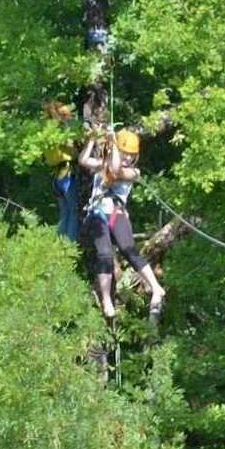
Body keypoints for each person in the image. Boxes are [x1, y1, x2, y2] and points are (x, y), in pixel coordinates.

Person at [78, 127, 165, 319]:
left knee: (128, 248)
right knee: (105, 254)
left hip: (117, 213)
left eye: (130, 156)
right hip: (98, 213)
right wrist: (92, 140)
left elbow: (116, 171)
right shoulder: (103, 164)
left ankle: (156, 288)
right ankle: (107, 300)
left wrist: (114, 145)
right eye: (125, 154)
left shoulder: (133, 171)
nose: (127, 158)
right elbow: (83, 161)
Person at [44, 102, 79, 241]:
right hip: (66, 174)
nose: (69, 118)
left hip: (56, 176)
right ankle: (69, 246)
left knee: (65, 213)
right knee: (73, 211)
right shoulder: (61, 132)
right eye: (66, 115)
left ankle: (60, 246)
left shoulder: (47, 131)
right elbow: (72, 150)